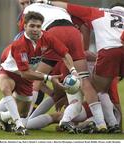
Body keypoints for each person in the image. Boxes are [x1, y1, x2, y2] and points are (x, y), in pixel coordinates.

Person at [0, 11, 77, 135]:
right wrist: (50, 78)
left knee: (24, 113)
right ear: (25, 26)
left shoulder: (48, 37)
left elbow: (65, 54)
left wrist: (73, 71)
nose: (35, 29)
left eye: (38, 26)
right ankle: (18, 126)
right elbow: (25, 73)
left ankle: (0, 117)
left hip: (27, 76)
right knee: (6, 88)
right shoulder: (20, 44)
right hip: (10, 71)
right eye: (32, 26)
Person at [22, 1, 107, 132]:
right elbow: (84, 26)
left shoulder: (30, 9)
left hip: (55, 32)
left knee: (36, 80)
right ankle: (101, 123)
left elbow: (29, 34)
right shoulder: (58, 7)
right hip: (73, 33)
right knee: (84, 80)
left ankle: (23, 120)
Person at [44, 0, 124, 130]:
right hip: (118, 50)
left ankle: (101, 123)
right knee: (105, 91)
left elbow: (69, 6)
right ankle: (112, 124)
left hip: (109, 51)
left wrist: (46, 2)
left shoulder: (99, 12)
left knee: (94, 89)